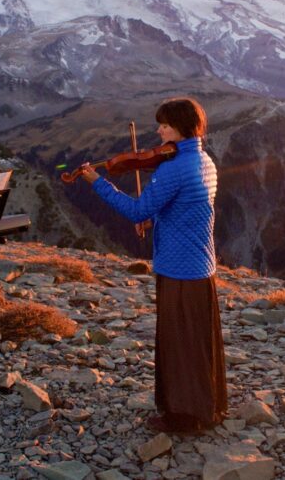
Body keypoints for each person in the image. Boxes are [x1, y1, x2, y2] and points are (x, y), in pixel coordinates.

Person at [77, 97, 227, 433]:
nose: (158, 131)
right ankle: (208, 406)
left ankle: (184, 418)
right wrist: (157, 218)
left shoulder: (172, 168)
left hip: (178, 268)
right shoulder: (204, 161)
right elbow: (189, 209)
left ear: (182, 127)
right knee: (198, 342)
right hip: (202, 266)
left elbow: (134, 211)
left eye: (165, 125)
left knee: (178, 343)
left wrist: (96, 182)